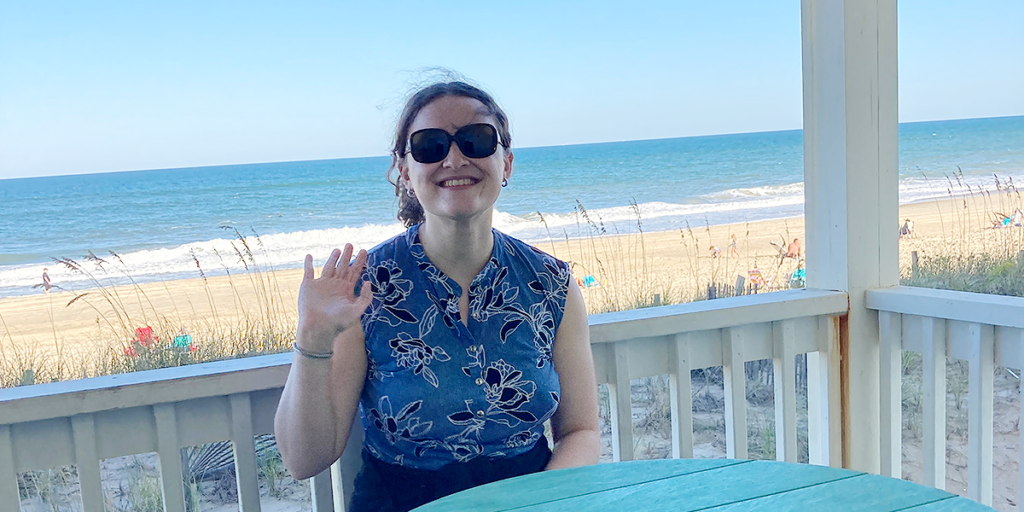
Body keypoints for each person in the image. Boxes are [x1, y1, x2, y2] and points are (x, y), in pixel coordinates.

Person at [274, 81, 600, 512]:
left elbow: (581, 431)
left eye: (476, 140)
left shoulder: (552, 284)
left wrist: (541, 503)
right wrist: (313, 334)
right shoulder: (364, 289)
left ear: (507, 163)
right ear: (405, 171)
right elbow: (304, 459)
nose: (454, 158)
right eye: (429, 145)